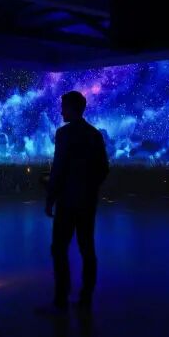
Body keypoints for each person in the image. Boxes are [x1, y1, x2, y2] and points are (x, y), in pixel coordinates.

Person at [45, 91, 109, 312]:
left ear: (72, 108)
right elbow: (103, 168)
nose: (61, 111)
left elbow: (58, 169)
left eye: (64, 107)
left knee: (59, 249)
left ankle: (61, 299)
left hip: (67, 201)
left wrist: (51, 198)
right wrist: (89, 189)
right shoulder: (94, 134)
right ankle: (85, 298)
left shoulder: (64, 134)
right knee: (87, 249)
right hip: (87, 202)